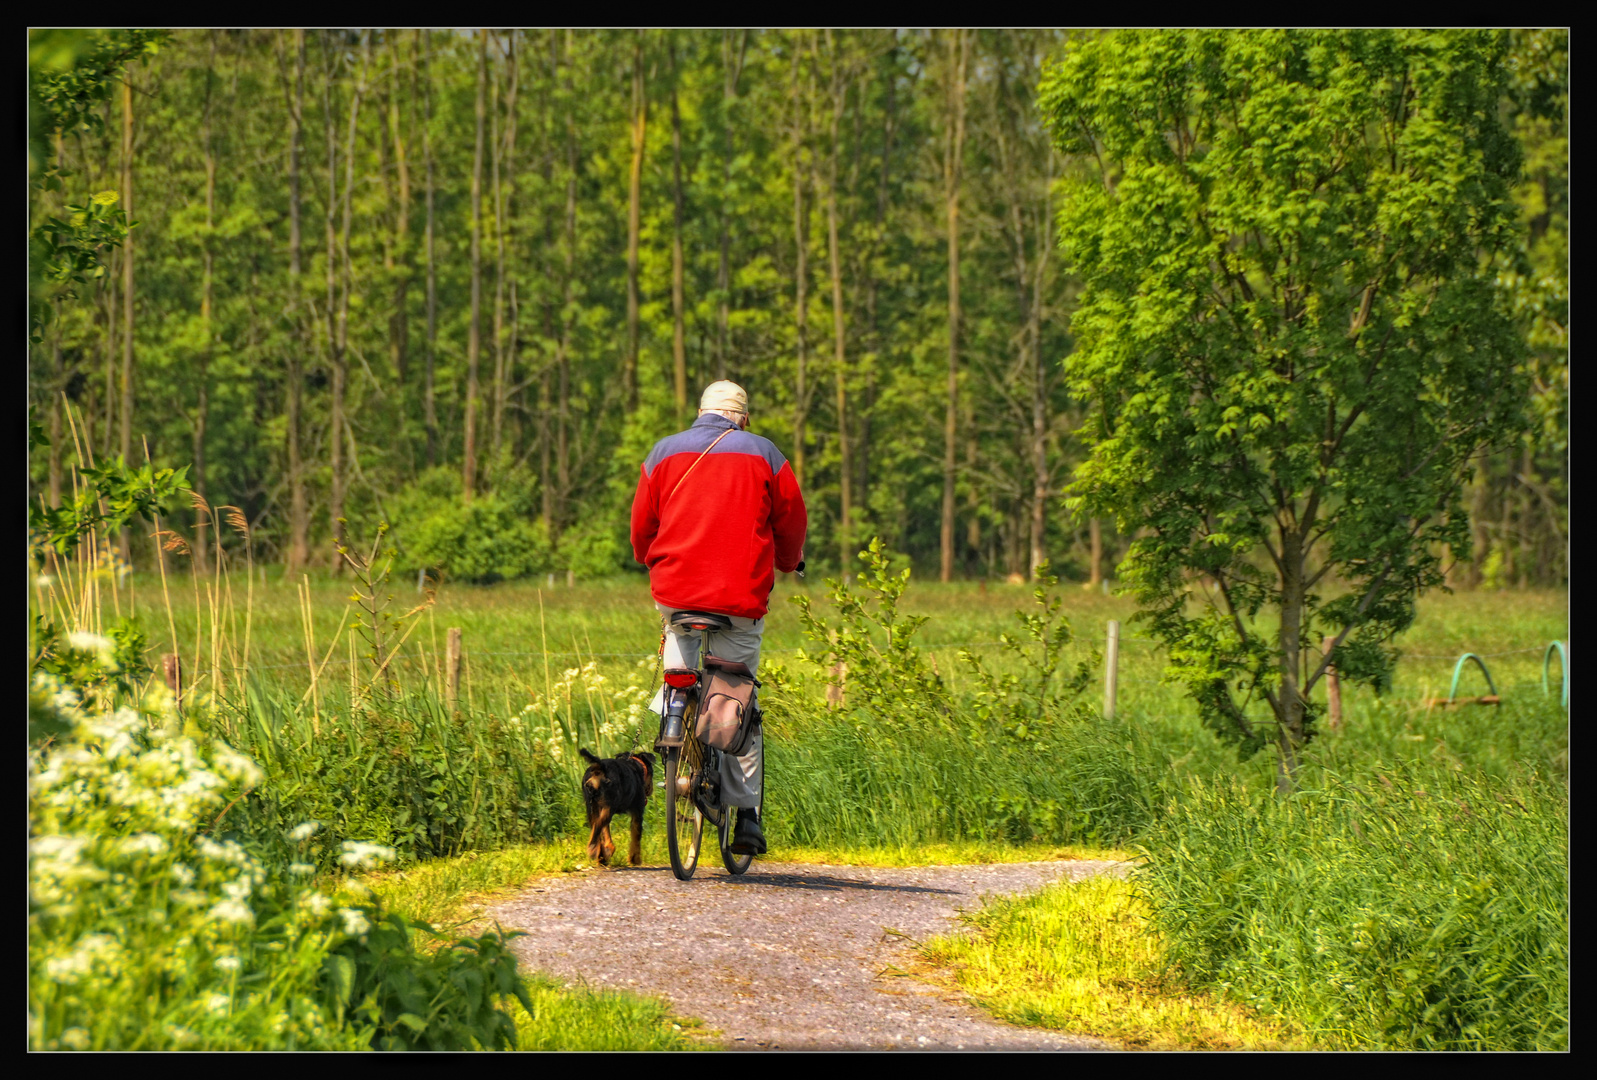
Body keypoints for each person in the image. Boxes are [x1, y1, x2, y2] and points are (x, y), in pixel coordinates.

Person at [630, 380, 807, 855]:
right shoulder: (766, 454)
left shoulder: (663, 452)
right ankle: (746, 816)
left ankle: (674, 711)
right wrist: (790, 562)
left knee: (681, 668)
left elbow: (641, 527)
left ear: (701, 414)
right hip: (740, 598)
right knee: (735, 695)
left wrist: (651, 557)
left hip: (676, 593)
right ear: (742, 418)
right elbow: (791, 521)